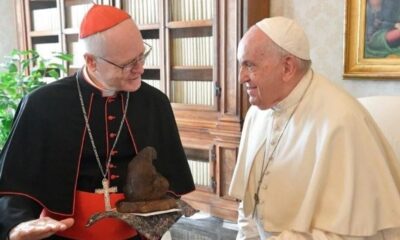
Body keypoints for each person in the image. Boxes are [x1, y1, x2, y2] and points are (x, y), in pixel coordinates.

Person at [0, 4, 195, 240]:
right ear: (91, 61)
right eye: (127, 64)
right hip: (63, 236)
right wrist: (16, 225)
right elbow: (15, 183)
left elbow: (170, 177)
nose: (140, 69)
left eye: (141, 56)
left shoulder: (155, 103)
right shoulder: (42, 104)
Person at [229, 16, 400, 239]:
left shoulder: (341, 120)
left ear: (287, 67)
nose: (241, 77)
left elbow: (348, 233)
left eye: (250, 65)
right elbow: (248, 205)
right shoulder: (256, 114)